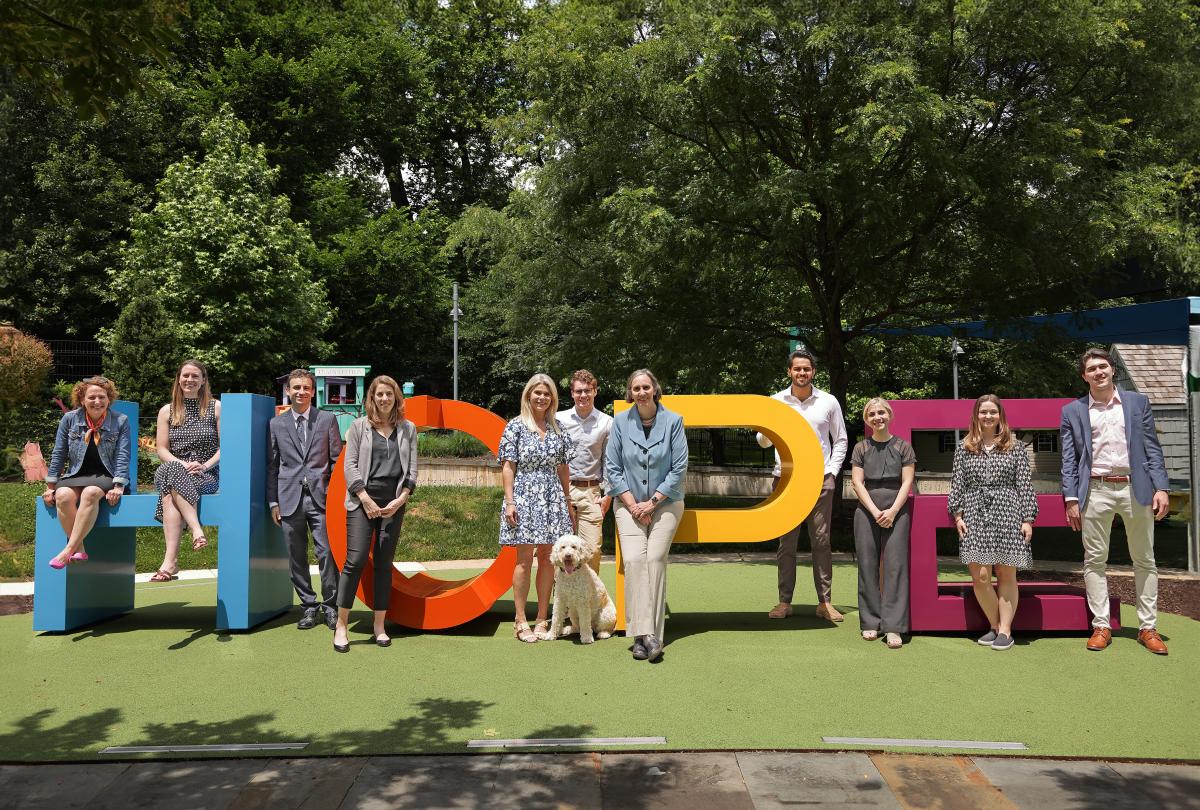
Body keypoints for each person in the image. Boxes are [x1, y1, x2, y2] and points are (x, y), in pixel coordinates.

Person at [1061, 348, 1171, 655]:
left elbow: (1152, 448)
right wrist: (1071, 498)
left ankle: (1147, 628)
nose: (1099, 372)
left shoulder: (1138, 403)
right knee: (1094, 560)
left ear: (1112, 370)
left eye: (1103, 366)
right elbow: (1069, 459)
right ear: (1084, 376)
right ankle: (1102, 625)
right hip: (1094, 491)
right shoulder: (1073, 411)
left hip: (1137, 488)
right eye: (1092, 368)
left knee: (1145, 559)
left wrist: (1161, 488)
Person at [755, 348, 848, 622]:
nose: (802, 373)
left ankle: (825, 602)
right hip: (785, 479)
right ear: (789, 372)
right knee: (787, 544)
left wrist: (830, 472)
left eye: (806, 369)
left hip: (820, 481)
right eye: (797, 369)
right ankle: (785, 602)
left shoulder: (828, 402)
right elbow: (763, 441)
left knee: (821, 542)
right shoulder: (775, 402)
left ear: (813, 372)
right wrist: (763, 430)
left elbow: (840, 440)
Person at [605, 368, 687, 662]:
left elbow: (679, 470)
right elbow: (612, 469)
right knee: (635, 560)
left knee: (654, 559)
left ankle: (645, 636)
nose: (640, 392)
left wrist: (651, 503)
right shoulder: (620, 423)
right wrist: (633, 504)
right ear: (631, 392)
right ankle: (647, 637)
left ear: (655, 389)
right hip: (627, 505)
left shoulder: (674, 422)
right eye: (635, 388)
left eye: (645, 387)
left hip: (665, 503)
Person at [948, 394, 1037, 651]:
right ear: (976, 416)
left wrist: (1028, 518)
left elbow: (1024, 485)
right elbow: (957, 484)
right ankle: (995, 625)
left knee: (1006, 572)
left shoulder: (1015, 446)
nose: (988, 416)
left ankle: (1006, 631)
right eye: (983, 412)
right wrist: (958, 514)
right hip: (975, 513)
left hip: (1008, 511)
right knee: (981, 576)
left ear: (1001, 416)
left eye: (993, 412)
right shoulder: (964, 447)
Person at [334, 375, 417, 652]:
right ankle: (341, 625)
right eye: (379, 394)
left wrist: (401, 499)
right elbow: (350, 466)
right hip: (361, 502)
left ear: (396, 397)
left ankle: (379, 626)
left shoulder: (408, 429)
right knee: (355, 560)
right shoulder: (359, 427)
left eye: (389, 394)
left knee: (384, 564)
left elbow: (412, 471)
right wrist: (365, 498)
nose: (384, 399)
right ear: (372, 397)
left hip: (394, 503)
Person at [499, 373, 576, 643]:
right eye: (537, 393)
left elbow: (563, 468)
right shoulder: (515, 426)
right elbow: (508, 467)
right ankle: (520, 620)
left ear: (552, 398)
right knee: (523, 558)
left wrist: (567, 501)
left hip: (552, 496)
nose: (542, 397)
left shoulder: (558, 428)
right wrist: (510, 501)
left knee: (547, 557)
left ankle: (542, 618)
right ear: (528, 396)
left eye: (547, 393)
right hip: (523, 496)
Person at [267, 368, 344, 630]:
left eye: (306, 388)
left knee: (327, 553)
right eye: (296, 388)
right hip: (289, 499)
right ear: (288, 391)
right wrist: (273, 502)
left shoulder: (327, 419)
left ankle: (331, 605)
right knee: (296, 556)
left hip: (322, 500)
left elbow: (337, 462)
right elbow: (273, 466)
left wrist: (338, 500)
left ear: (313, 392)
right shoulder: (276, 424)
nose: (301, 392)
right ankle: (309, 606)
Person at [42, 376, 132, 569]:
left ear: (109, 399)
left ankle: (67, 551)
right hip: (76, 474)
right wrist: (50, 487)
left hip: (106, 475)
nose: (97, 401)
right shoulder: (69, 419)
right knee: (63, 495)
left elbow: (123, 455)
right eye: (92, 397)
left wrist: (118, 485)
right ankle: (79, 549)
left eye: (102, 397)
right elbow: (59, 453)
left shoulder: (120, 421)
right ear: (82, 399)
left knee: (90, 492)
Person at [849, 398, 915, 649]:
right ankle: (870, 622)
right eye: (872, 414)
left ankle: (893, 627)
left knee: (895, 566)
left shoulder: (903, 447)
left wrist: (893, 511)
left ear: (890, 415)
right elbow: (857, 483)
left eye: (881, 413)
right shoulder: (860, 448)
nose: (877, 417)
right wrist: (876, 511)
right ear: (867, 419)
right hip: (867, 510)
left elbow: (907, 481)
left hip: (898, 509)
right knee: (867, 565)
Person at [150, 360, 220, 581]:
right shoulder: (166, 411)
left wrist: (205, 465)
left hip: (205, 473)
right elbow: (161, 449)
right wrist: (182, 465)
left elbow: (224, 447)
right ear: (178, 379)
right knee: (171, 471)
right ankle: (196, 530)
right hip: (174, 467)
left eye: (195, 376)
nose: (189, 380)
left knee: (169, 496)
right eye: (185, 376)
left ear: (203, 380)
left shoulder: (215, 407)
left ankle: (169, 563)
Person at [556, 369, 613, 574]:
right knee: (560, 551)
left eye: (587, 390)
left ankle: (589, 601)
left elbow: (609, 460)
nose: (583, 395)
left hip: (592, 492)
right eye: (578, 391)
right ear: (572, 393)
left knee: (592, 550)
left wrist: (608, 495)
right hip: (563, 491)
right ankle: (563, 603)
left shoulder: (607, 422)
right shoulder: (558, 419)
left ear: (595, 391)